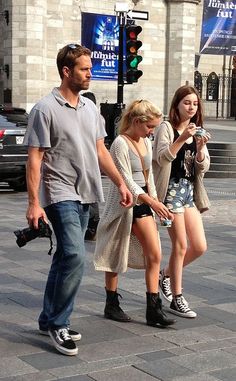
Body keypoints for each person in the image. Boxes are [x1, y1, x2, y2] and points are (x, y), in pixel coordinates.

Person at [23, 44, 133, 356]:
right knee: (73, 255)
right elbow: (34, 160)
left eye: (90, 68)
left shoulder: (90, 109)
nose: (90, 74)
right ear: (66, 71)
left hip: (87, 191)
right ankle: (59, 322)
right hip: (59, 192)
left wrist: (121, 183)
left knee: (64, 258)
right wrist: (33, 203)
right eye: (84, 69)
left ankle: (47, 317)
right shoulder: (45, 109)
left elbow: (101, 151)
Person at [94, 100, 176, 328]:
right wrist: (151, 201)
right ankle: (111, 303)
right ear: (137, 121)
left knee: (155, 254)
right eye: (150, 127)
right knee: (114, 253)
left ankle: (153, 308)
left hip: (143, 204)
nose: (152, 132)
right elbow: (125, 179)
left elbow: (148, 176)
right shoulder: (120, 143)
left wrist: (156, 201)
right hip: (124, 204)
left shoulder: (146, 142)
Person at [152, 85, 211, 319]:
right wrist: (182, 138)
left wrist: (200, 148)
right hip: (170, 192)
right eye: (187, 102)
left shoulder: (196, 131)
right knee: (180, 246)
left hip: (188, 192)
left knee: (199, 246)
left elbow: (203, 168)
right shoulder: (166, 128)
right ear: (177, 104)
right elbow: (161, 158)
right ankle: (177, 298)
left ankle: (165, 275)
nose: (191, 107)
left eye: (195, 104)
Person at [82, 91, 100, 241]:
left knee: (90, 198)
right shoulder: (97, 118)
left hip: (90, 165)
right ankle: (92, 225)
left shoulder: (96, 118)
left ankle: (92, 225)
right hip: (90, 166)